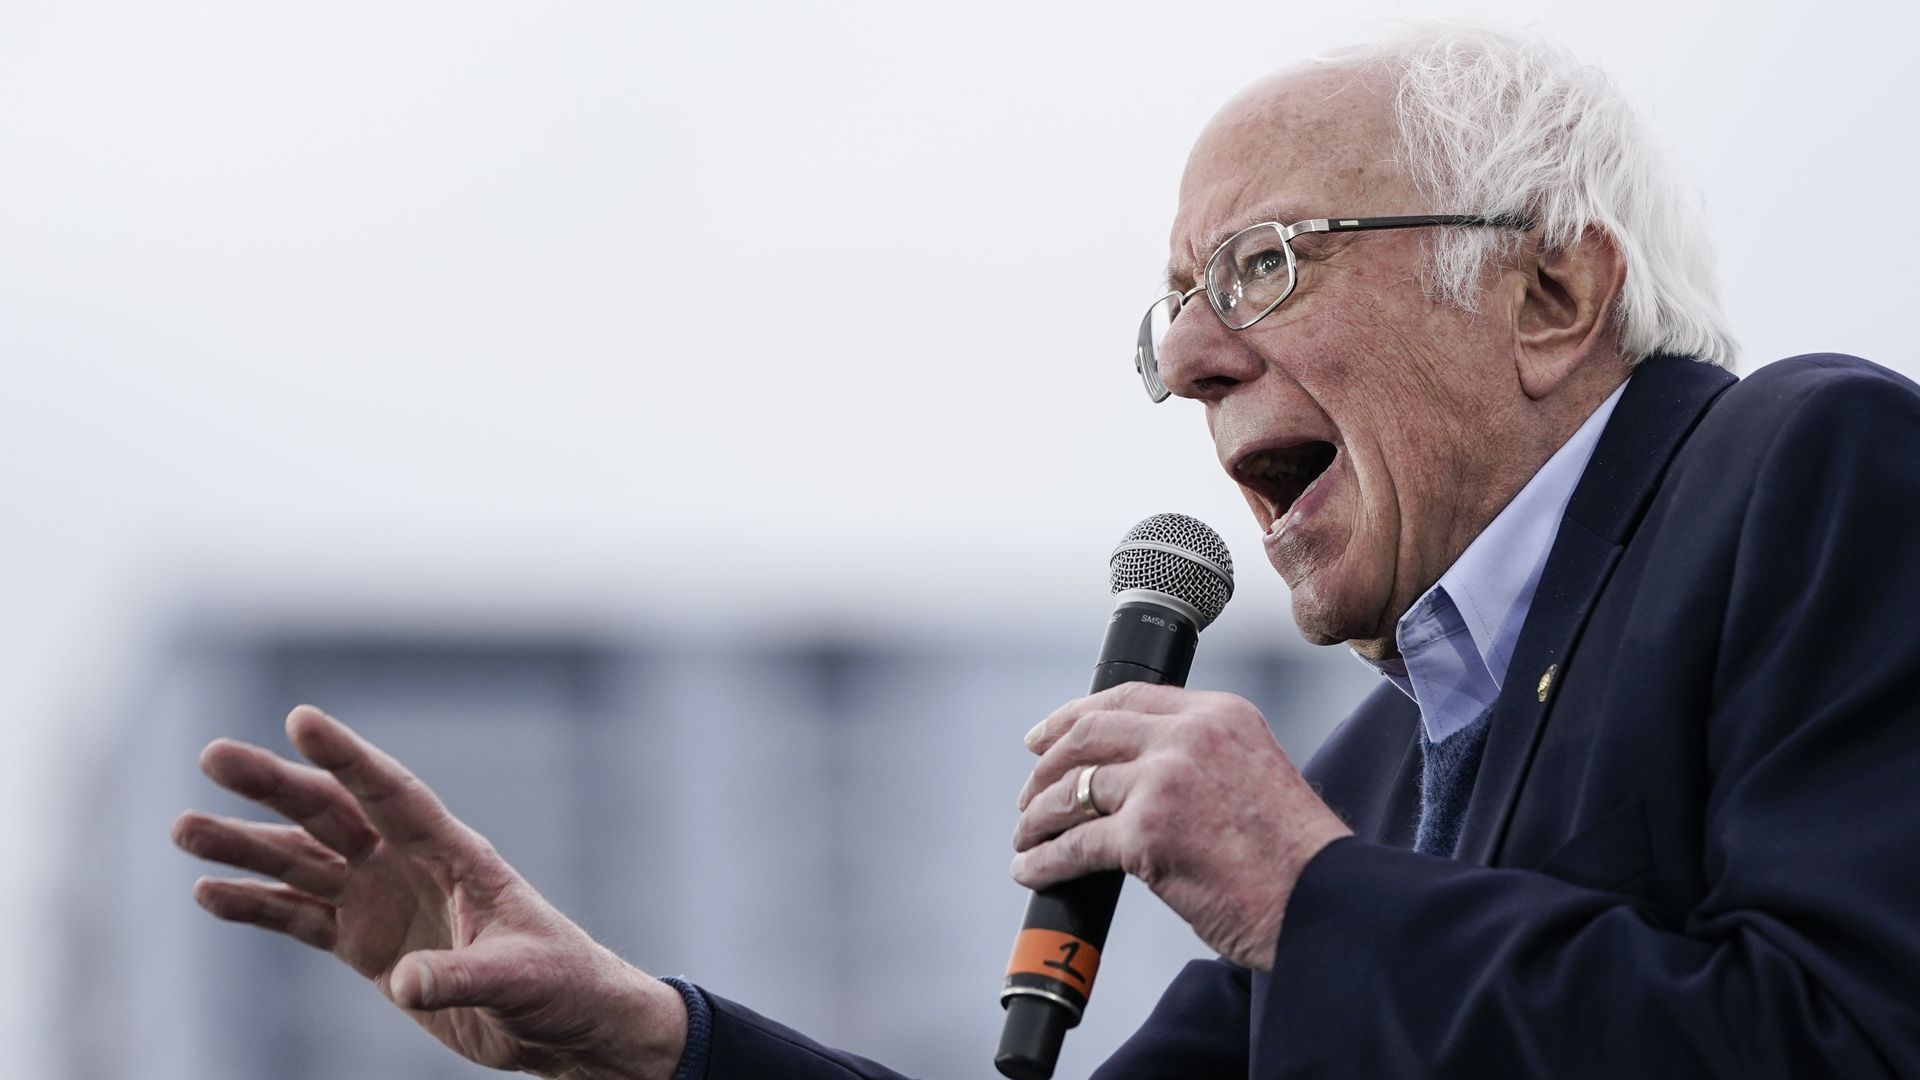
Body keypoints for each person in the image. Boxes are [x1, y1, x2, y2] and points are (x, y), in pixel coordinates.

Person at [172, 22, 1920, 1078]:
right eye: (1170, 308)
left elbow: (1855, 1042)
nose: (1187, 358)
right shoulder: (1385, 760)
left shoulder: (1811, 464)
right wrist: (650, 1039)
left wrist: (1304, 894)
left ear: (1552, 287)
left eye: (1261, 266)